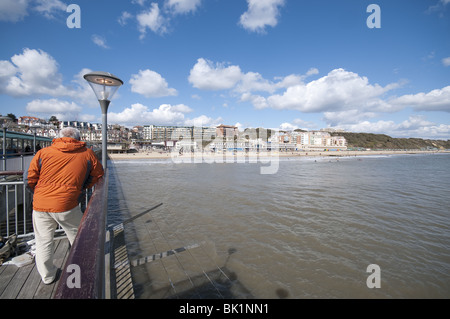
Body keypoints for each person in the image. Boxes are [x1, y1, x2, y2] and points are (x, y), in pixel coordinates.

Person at [27, 127, 104, 284]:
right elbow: (98, 174)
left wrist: (39, 193)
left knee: (43, 241)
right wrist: (83, 187)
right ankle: (80, 271)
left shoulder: (44, 152)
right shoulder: (87, 154)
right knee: (78, 238)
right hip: (67, 204)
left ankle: (48, 276)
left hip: (41, 204)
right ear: (78, 137)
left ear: (58, 137)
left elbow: (30, 178)